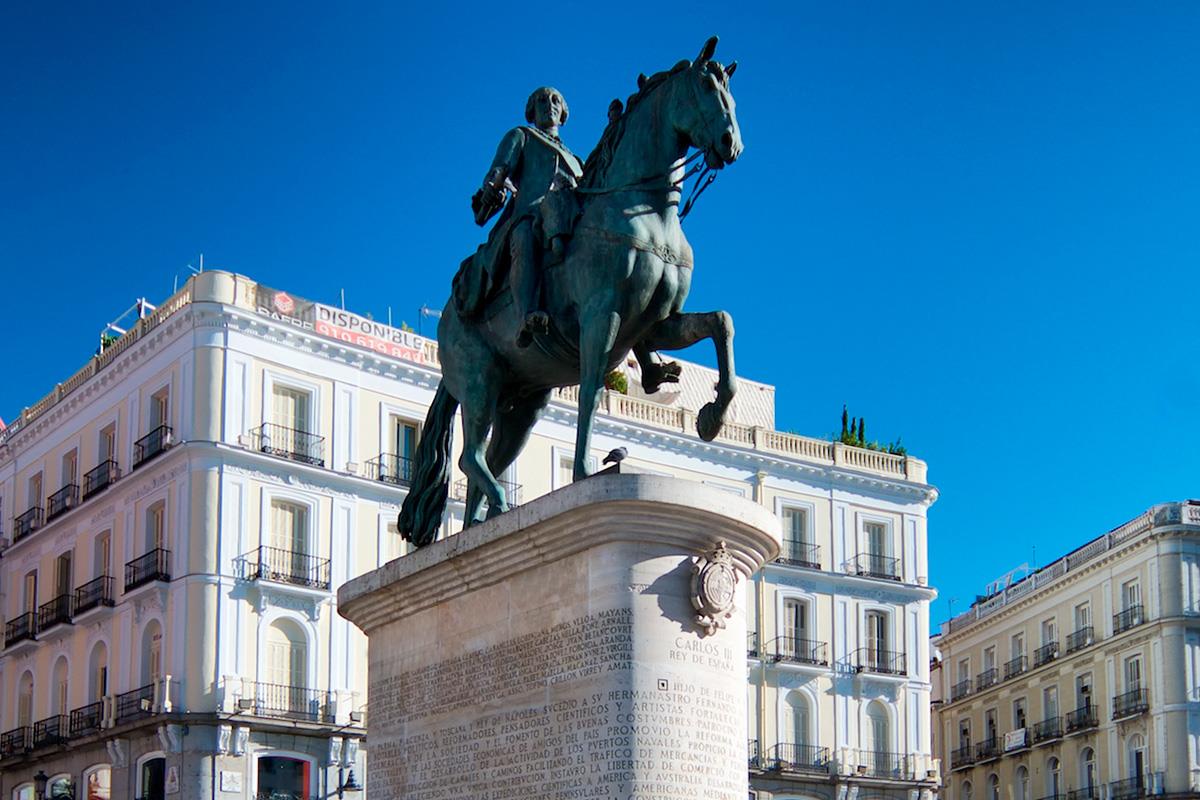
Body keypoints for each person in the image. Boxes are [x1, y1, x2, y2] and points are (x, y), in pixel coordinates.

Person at [471, 87, 584, 347]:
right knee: (523, 236)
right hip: (532, 214)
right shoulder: (522, 136)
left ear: (564, 112)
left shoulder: (577, 160)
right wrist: (493, 186)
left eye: (556, 100)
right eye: (542, 100)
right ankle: (526, 315)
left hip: (570, 218)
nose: (549, 104)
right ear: (531, 111)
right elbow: (500, 170)